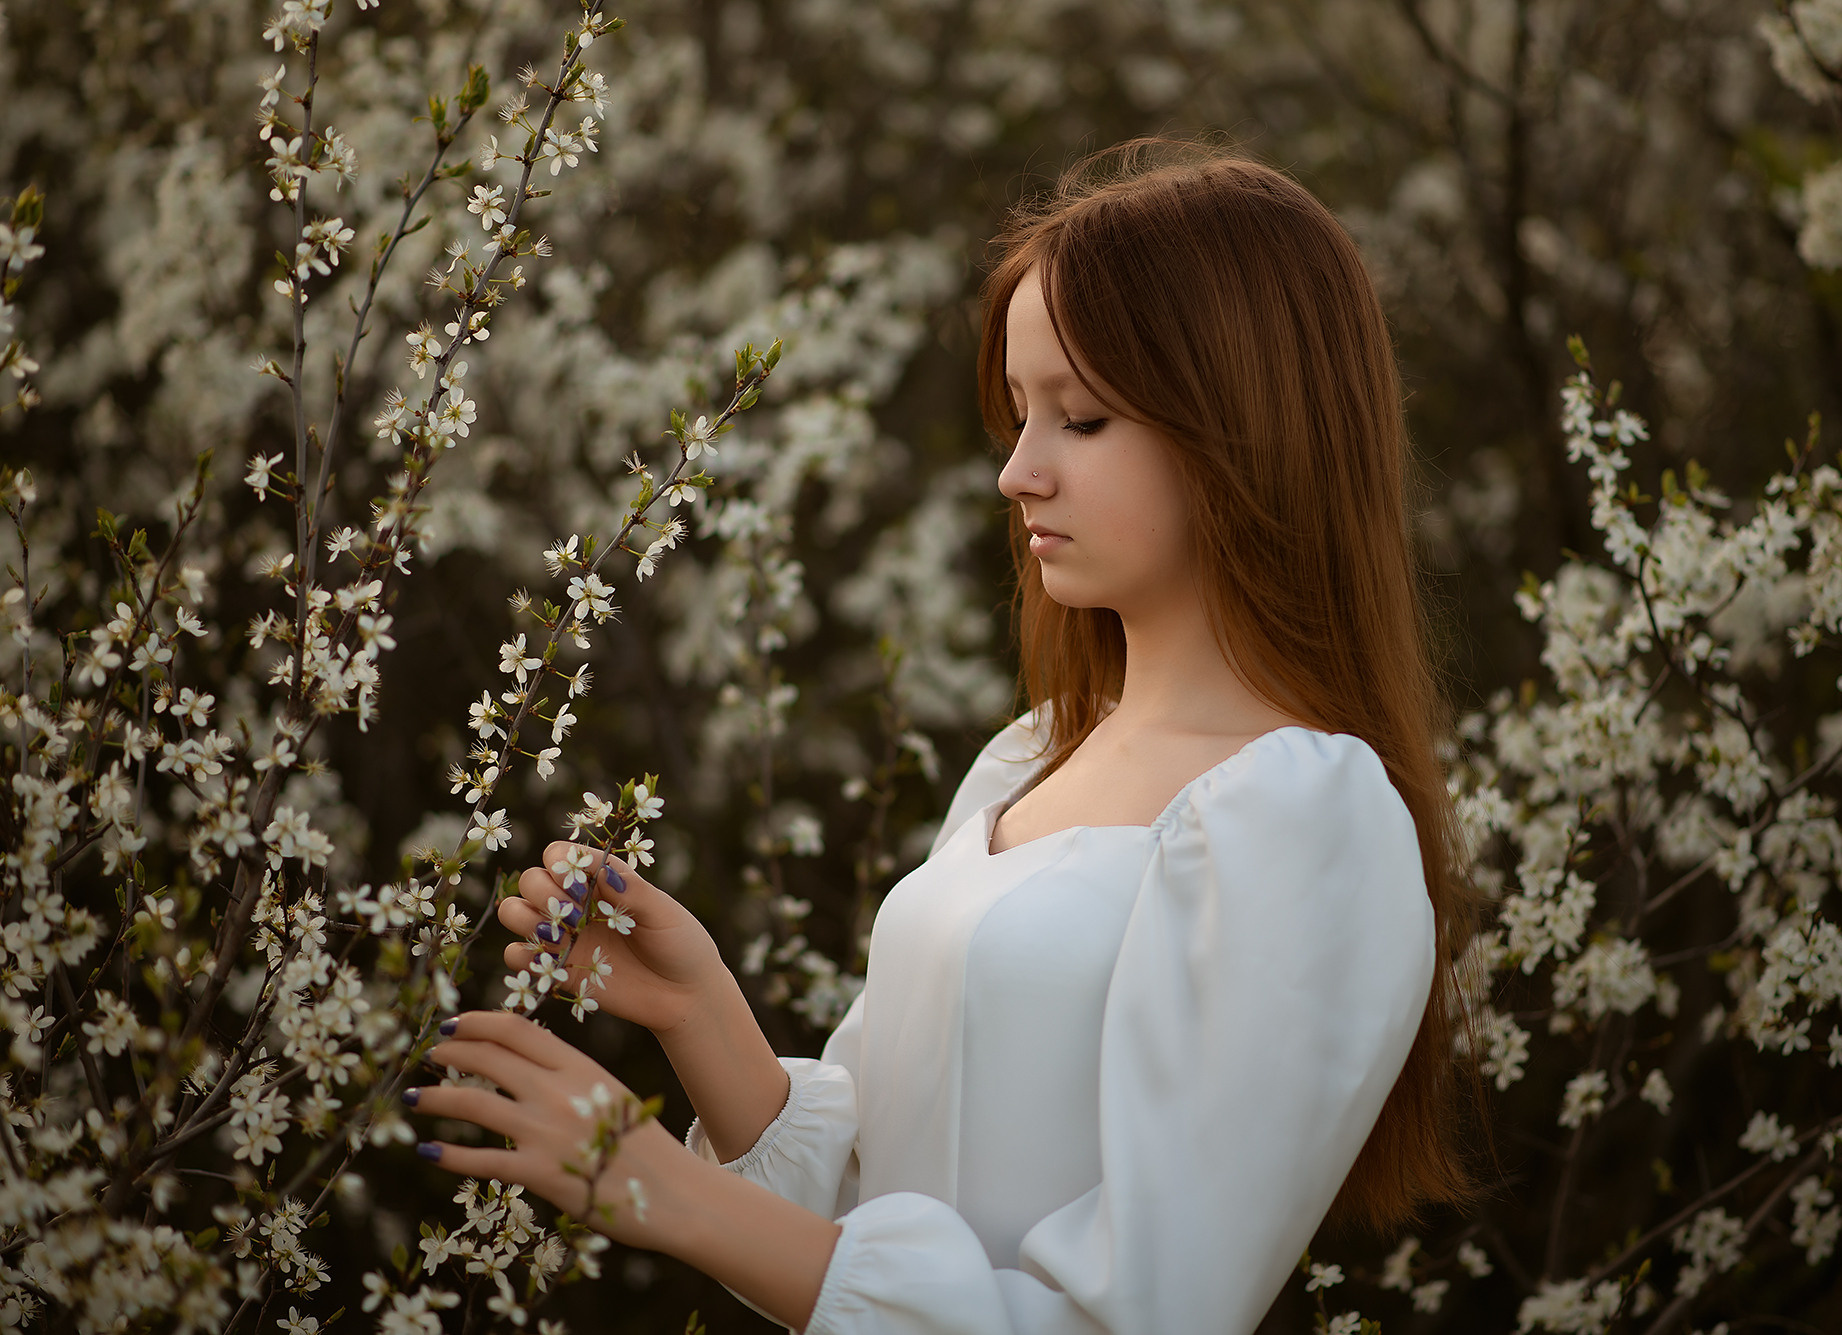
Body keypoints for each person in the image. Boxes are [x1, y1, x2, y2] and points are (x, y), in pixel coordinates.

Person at [408, 140, 1483, 1334]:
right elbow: (876, 1226)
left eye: (1080, 417)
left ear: (1241, 422)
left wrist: (658, 1185)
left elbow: (1129, 1318)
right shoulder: (1031, 757)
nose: (1019, 470)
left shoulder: (1304, 815)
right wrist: (704, 1021)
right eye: (1020, 415)